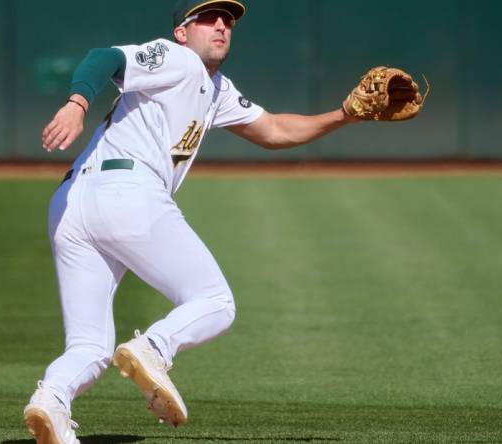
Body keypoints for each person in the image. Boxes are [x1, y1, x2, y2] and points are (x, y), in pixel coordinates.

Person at [24, 1, 359, 443]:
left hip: (72, 206)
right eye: (207, 18)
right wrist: (77, 101)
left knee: (89, 347)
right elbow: (104, 57)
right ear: (183, 32)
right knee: (216, 301)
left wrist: (346, 115)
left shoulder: (215, 88)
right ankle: (153, 348)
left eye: (228, 20)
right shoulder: (176, 58)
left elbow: (275, 129)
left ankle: (51, 400)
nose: (221, 25)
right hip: (127, 192)